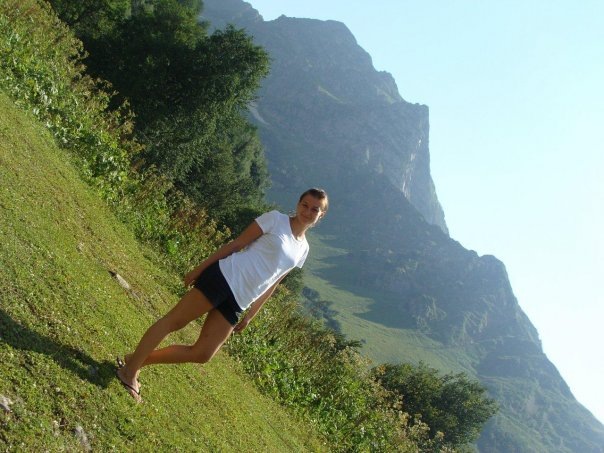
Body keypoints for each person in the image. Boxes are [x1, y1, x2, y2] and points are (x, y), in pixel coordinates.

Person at [116, 188, 329, 402]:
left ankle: (136, 360)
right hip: (225, 277)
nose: (307, 211)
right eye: (305, 205)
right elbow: (237, 244)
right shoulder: (276, 219)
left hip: (241, 299)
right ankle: (129, 372)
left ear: (321, 215)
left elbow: (274, 281)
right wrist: (199, 269)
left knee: (203, 353)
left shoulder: (303, 249)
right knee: (173, 322)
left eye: (315, 209)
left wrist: (251, 314)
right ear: (298, 203)